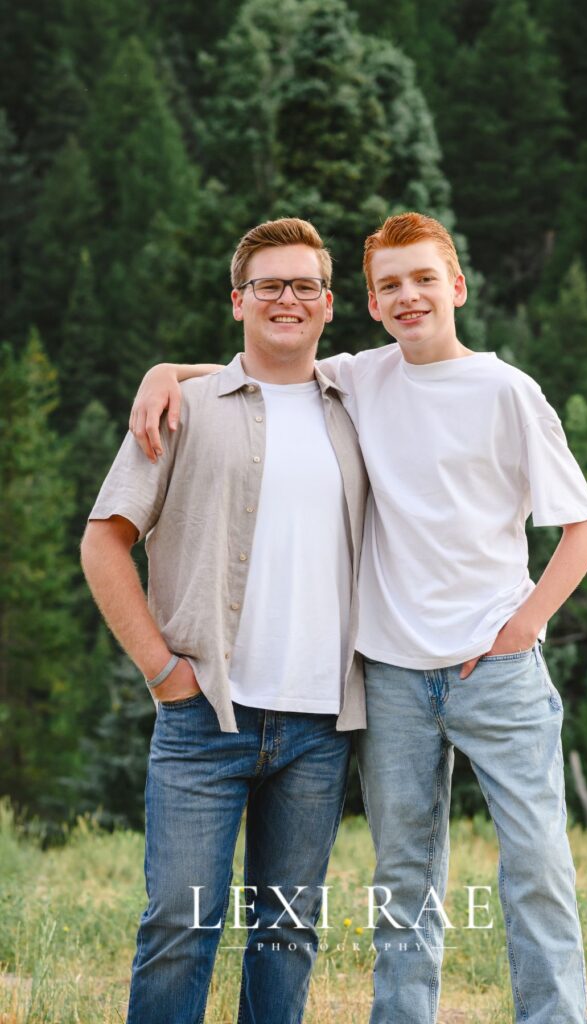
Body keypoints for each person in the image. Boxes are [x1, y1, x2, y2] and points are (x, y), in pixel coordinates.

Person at [130, 212, 587, 1024]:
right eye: (391, 286)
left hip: (494, 669)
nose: (409, 295)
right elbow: (266, 365)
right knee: (403, 883)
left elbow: (583, 527)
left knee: (535, 867)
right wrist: (163, 372)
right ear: (373, 305)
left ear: (455, 286)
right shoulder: (360, 377)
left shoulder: (507, 391)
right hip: (387, 676)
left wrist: (521, 627)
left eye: (424, 278)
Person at [81, 217, 368, 1024]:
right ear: (237, 300)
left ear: (329, 303)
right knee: (180, 925)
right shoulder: (186, 410)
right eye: (268, 285)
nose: (288, 299)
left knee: (287, 932)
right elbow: (103, 545)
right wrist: (164, 672)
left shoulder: (357, 405)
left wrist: (168, 365)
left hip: (321, 725)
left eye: (304, 285)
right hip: (203, 715)